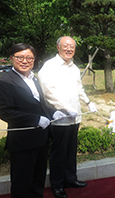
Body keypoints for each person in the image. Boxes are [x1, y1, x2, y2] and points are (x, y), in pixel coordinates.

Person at [0, 43, 66, 198]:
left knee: (38, 178)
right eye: (20, 57)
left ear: (34, 59)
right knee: (22, 182)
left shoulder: (33, 78)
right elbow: (4, 111)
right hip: (23, 142)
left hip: (41, 138)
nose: (25, 61)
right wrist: (34, 119)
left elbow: (40, 105)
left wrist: (54, 112)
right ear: (12, 58)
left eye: (29, 57)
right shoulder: (5, 81)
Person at [38, 36, 97, 198]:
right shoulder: (49, 66)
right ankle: (57, 184)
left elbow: (79, 88)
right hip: (60, 118)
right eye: (66, 46)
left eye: (72, 46)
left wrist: (88, 102)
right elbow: (48, 92)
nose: (69, 49)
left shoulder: (74, 67)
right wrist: (66, 108)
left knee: (71, 151)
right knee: (59, 153)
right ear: (58, 47)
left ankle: (71, 179)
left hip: (75, 117)